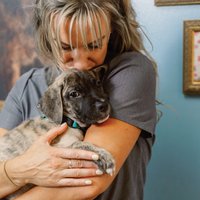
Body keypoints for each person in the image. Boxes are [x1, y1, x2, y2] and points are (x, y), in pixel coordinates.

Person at [0, 0, 157, 199]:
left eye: (94, 45)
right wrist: (24, 169)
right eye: (66, 47)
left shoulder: (130, 72)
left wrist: (15, 173)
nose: (81, 64)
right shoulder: (27, 85)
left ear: (110, 31)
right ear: (49, 38)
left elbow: (88, 181)